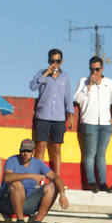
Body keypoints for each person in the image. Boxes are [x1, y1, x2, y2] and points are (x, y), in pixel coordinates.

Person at [74, 55, 112, 192]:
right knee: (90, 153)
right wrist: (88, 87)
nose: (95, 72)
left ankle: (102, 182)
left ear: (102, 69)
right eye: (92, 69)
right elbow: (77, 99)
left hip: (106, 123)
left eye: (97, 69)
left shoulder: (109, 82)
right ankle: (91, 182)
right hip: (89, 121)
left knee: (101, 154)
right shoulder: (83, 81)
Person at [0, 139, 69, 223]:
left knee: (52, 186)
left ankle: (37, 222)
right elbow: (7, 177)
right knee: (17, 184)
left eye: (28, 151)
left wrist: (62, 194)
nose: (25, 154)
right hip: (7, 202)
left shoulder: (37, 163)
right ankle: (20, 221)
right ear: (20, 151)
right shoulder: (12, 160)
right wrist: (31, 175)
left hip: (27, 202)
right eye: (23, 151)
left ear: (33, 152)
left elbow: (56, 178)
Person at [29, 48, 74, 178]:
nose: (55, 64)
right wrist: (45, 74)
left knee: (57, 148)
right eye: (53, 61)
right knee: (41, 146)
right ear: (49, 61)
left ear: (62, 61)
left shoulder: (65, 77)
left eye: (58, 61)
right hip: (43, 115)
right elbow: (32, 87)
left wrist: (70, 114)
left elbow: (67, 97)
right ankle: (37, 177)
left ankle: (57, 177)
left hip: (59, 117)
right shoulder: (41, 74)